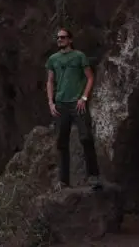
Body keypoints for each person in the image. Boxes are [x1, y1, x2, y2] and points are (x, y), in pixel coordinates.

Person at [46, 28, 102, 191]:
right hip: (61, 105)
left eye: (63, 37)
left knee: (86, 138)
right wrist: (51, 102)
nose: (60, 40)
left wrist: (84, 98)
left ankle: (94, 176)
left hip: (77, 104)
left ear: (70, 40)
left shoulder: (79, 56)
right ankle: (63, 181)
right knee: (61, 142)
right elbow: (50, 81)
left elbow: (90, 77)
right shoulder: (53, 59)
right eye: (58, 38)